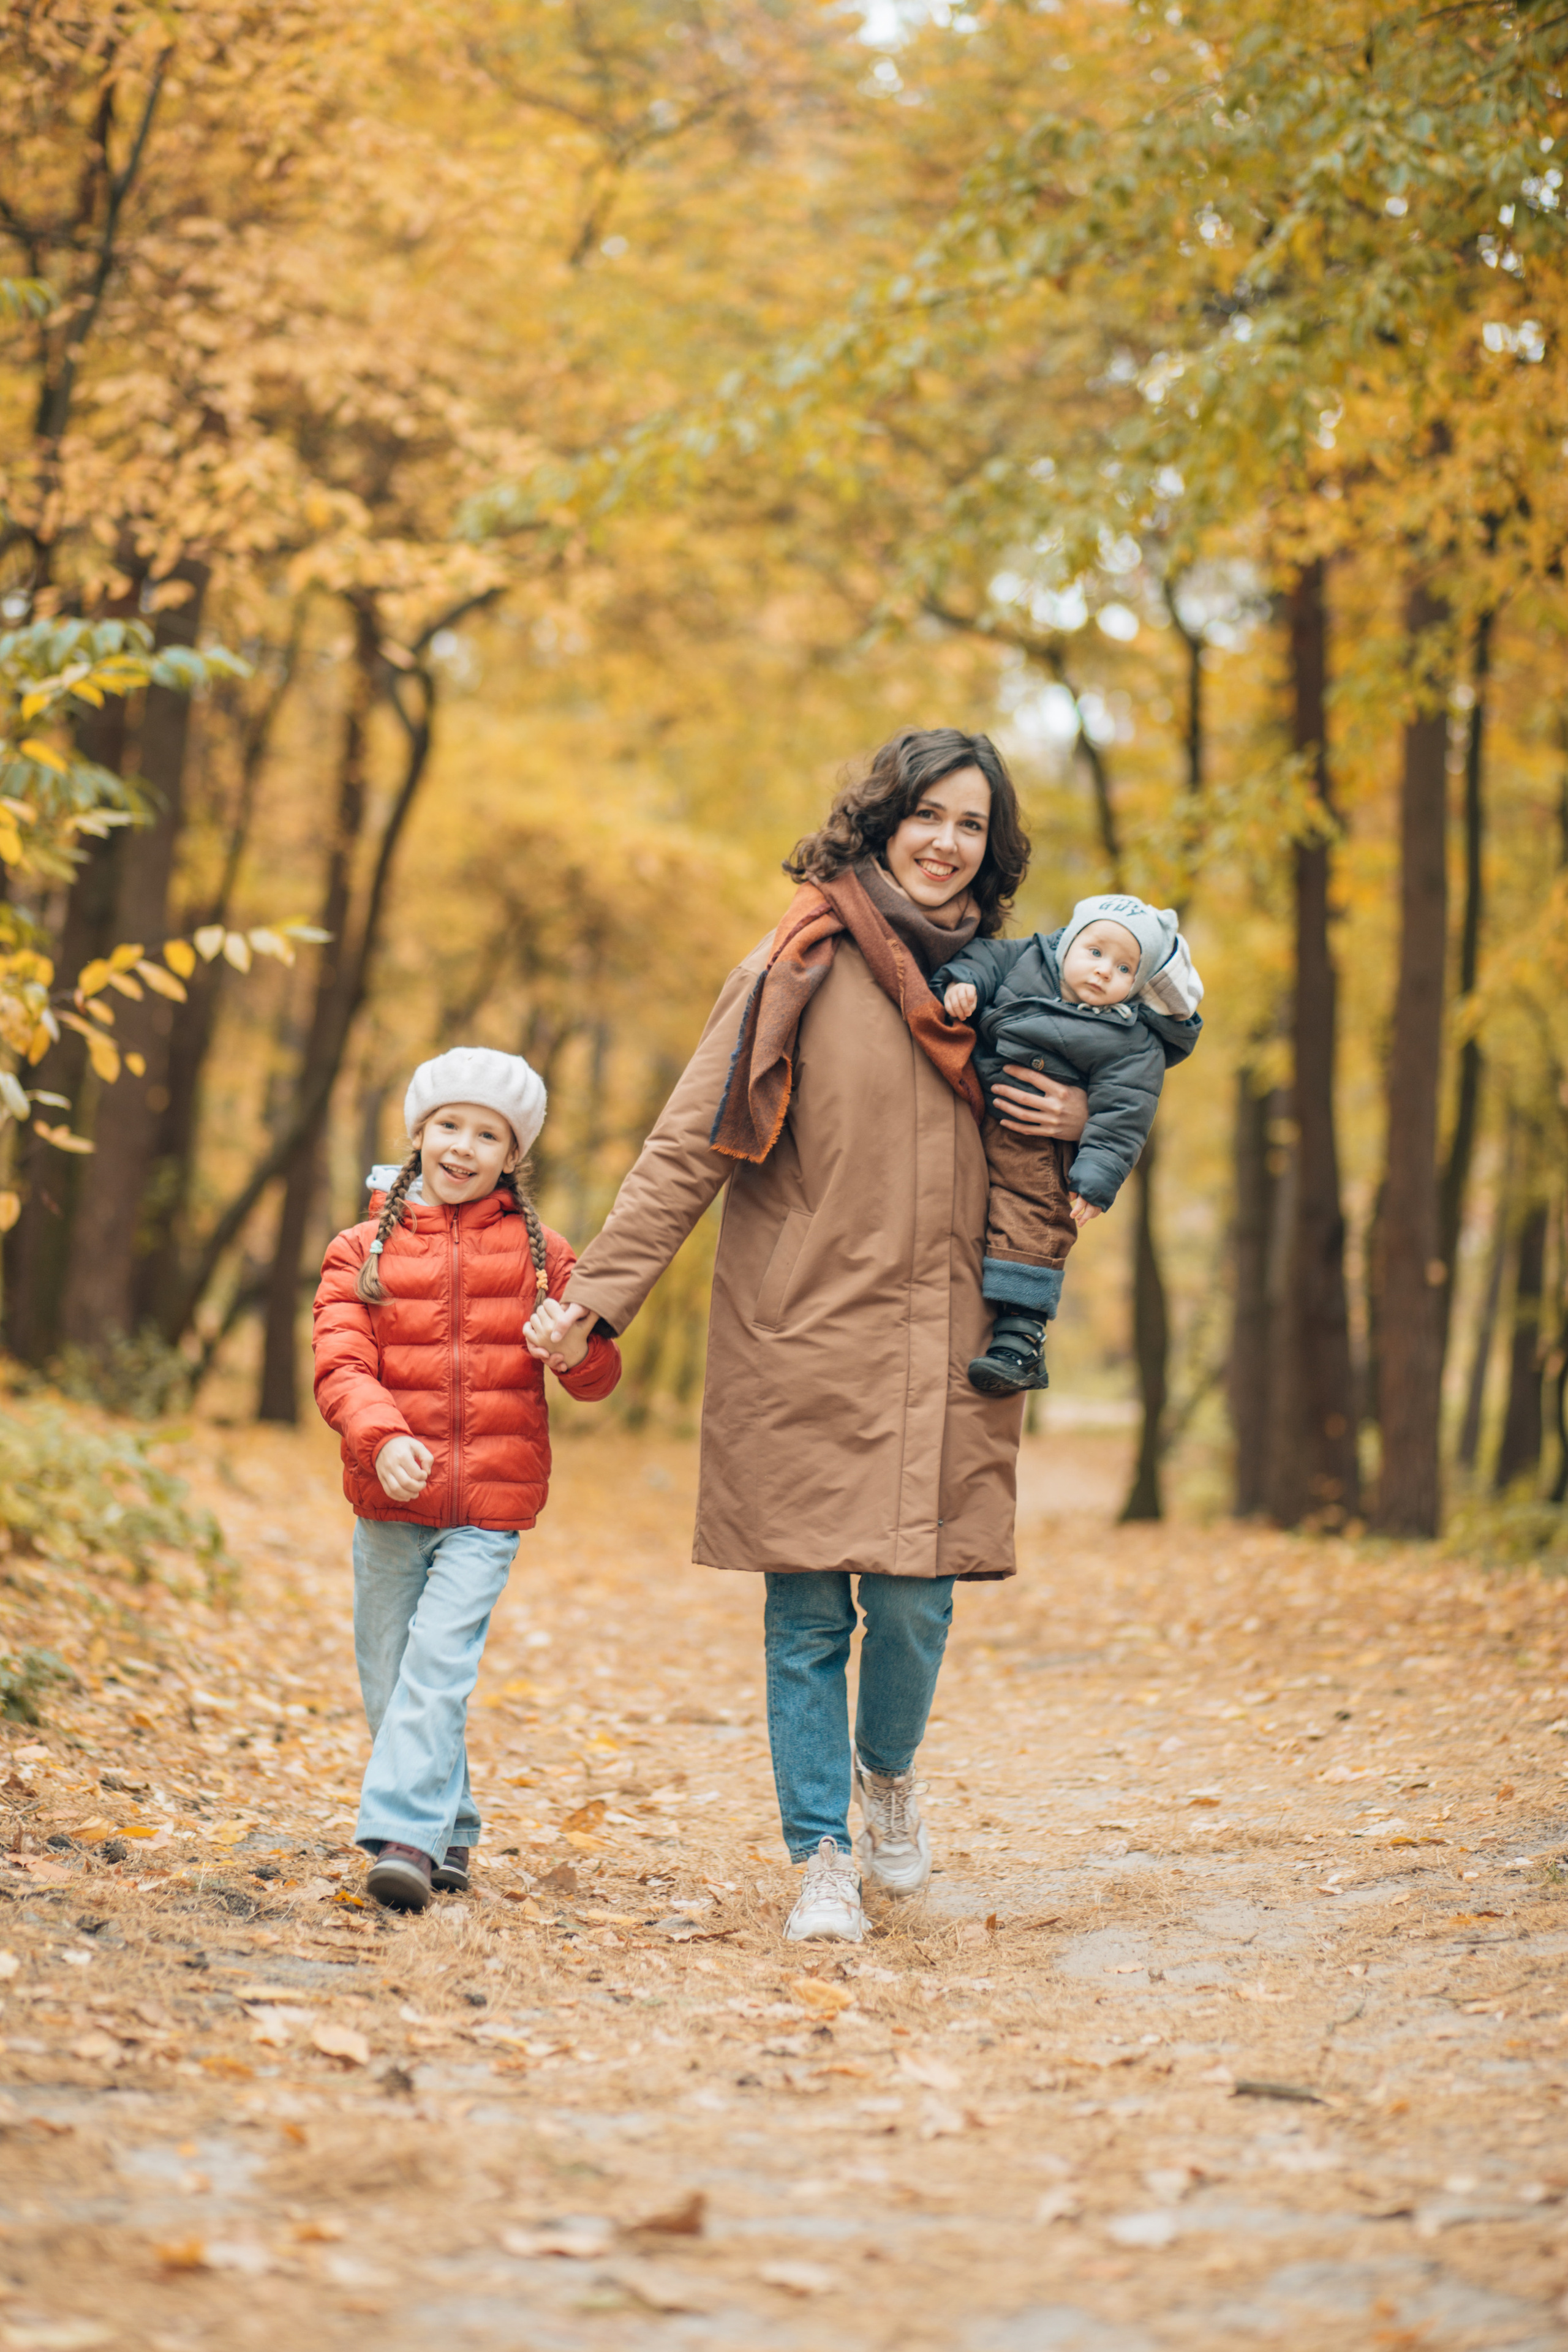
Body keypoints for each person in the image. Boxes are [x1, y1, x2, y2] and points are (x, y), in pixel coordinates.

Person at [525, 729, 1088, 1944]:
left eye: (970, 825)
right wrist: (597, 1294)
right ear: (881, 820)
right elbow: (689, 1143)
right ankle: (822, 1855)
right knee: (805, 1615)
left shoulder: (1019, 991)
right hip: (799, 1329)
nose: (945, 842)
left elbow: (1074, 1152)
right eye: (926, 814)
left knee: (917, 1603)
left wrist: (1083, 1115)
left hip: (956, 1338)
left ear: (991, 852)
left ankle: (887, 1775)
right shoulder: (794, 965)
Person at [312, 1046, 620, 1913]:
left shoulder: (542, 1255)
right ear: (418, 1134)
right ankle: (453, 1828)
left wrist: (574, 1349)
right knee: (390, 1676)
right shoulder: (356, 1251)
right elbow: (340, 1364)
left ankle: (405, 1837)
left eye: (488, 1134)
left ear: (512, 1156)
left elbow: (596, 1375)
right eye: (449, 1125)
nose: (463, 1146)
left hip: (490, 1503)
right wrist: (381, 1440)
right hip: (390, 1498)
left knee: (438, 1665)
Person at [933, 891, 1204, 1396]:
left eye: (1125, 968)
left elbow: (1126, 1111)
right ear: (1068, 942)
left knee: (1033, 1216)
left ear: (1139, 985)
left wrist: (1096, 1180)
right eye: (1096, 953)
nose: (1104, 972)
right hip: (971, 1104)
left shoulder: (1131, 1039)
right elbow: (981, 959)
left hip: (1034, 1140)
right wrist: (962, 985)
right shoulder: (1028, 957)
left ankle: (1020, 1339)